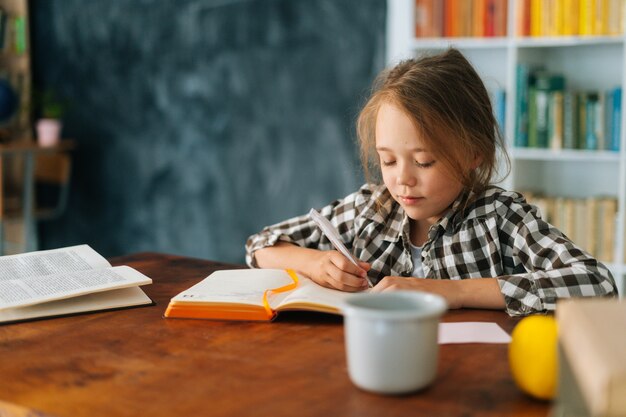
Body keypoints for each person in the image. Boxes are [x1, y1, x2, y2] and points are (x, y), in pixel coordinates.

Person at [245, 48, 617, 317]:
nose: (402, 179)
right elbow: (260, 245)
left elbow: (597, 285)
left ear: (473, 153)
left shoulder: (500, 217)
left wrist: (452, 292)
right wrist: (314, 263)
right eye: (388, 160)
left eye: (423, 161)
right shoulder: (369, 209)